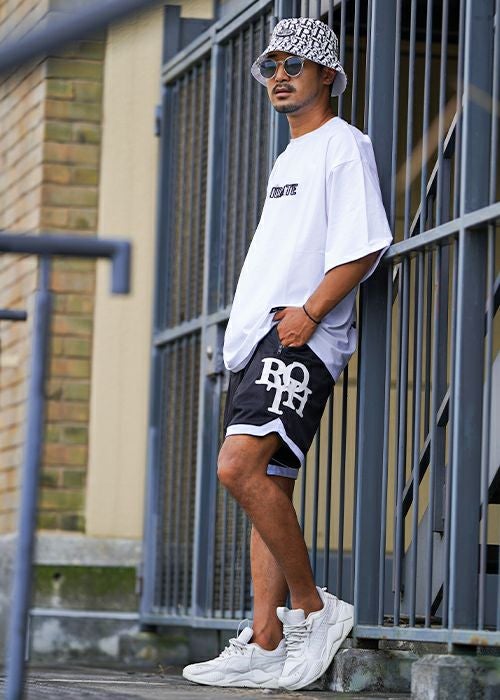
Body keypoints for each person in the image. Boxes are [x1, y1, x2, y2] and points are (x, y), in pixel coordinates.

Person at [183, 16, 393, 691]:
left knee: (237, 467)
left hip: (298, 334)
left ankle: (315, 610)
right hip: (260, 338)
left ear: (327, 74)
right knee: (267, 484)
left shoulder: (343, 145)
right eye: (270, 66)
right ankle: (267, 639)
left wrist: (310, 313)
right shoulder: (289, 156)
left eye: (293, 65)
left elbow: (366, 243)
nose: (278, 76)